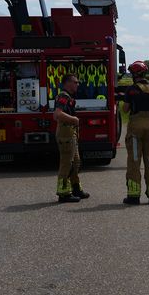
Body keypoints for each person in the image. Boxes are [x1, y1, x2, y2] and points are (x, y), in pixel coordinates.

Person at [123, 60, 149, 205]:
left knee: (134, 161)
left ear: (135, 74)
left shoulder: (131, 89)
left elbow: (126, 109)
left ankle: (133, 196)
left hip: (135, 126)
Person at [53, 74, 89, 203]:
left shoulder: (68, 97)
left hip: (70, 133)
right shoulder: (63, 96)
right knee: (67, 164)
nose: (77, 84)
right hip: (65, 133)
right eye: (75, 82)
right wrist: (74, 119)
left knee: (75, 163)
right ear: (67, 83)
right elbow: (57, 114)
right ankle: (63, 193)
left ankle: (76, 189)